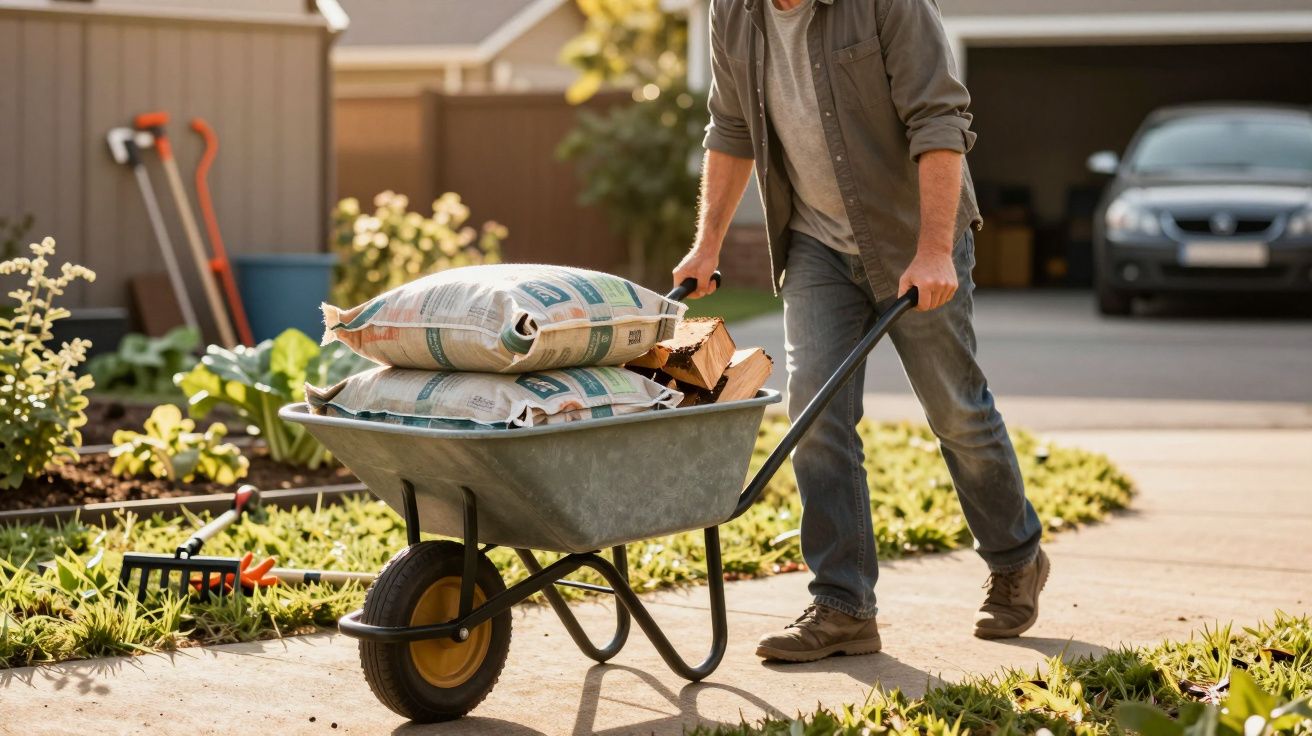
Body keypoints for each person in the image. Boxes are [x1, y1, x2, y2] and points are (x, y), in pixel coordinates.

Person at [672, 0, 1049, 663]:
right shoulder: (733, 13)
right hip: (815, 242)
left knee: (955, 410)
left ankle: (1016, 557)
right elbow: (730, 127)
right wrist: (707, 245)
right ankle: (843, 605)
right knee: (814, 412)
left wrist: (935, 250)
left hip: (914, 236)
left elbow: (939, 118)